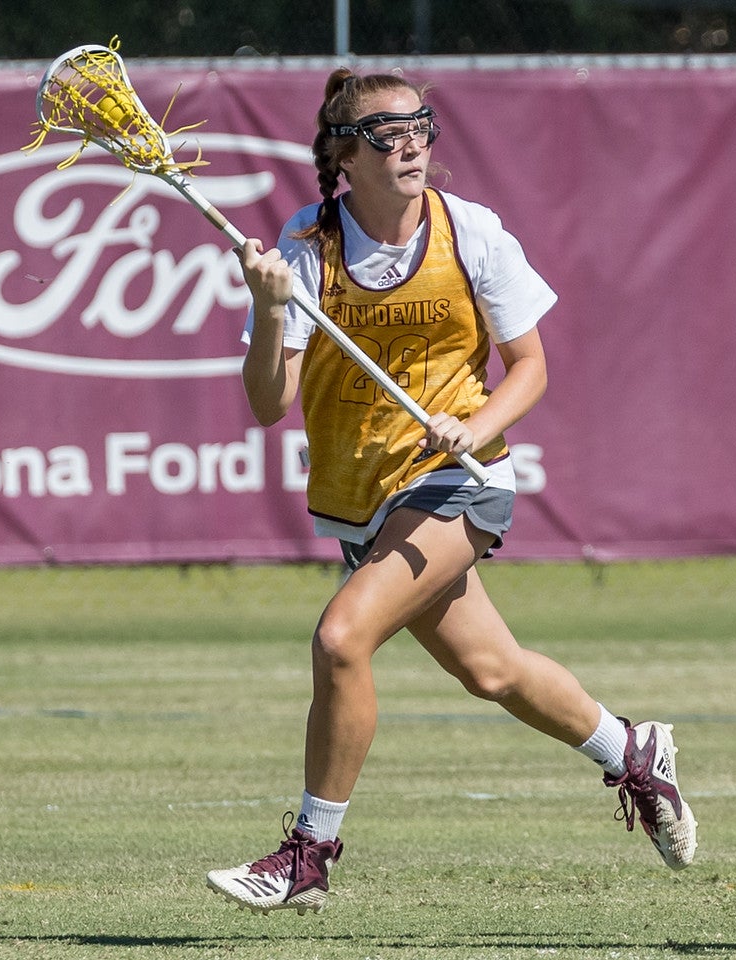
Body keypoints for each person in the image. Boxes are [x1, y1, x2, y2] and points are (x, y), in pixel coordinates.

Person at [206, 68, 697, 916]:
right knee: (491, 670)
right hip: (363, 497)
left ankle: (309, 854)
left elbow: (531, 367)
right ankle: (631, 752)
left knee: (340, 638)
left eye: (420, 127)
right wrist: (265, 304)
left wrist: (472, 427)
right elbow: (266, 404)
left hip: (459, 483)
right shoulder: (301, 249)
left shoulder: (471, 233)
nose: (410, 145)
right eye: (386, 132)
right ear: (342, 153)